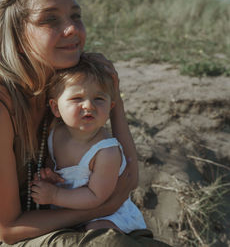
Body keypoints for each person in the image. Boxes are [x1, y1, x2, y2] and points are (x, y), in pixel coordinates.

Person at [0, 0, 171, 245]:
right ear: (17, 36)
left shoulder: (65, 93)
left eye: (76, 16)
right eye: (50, 20)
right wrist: (99, 208)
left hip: (61, 223)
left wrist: (114, 97)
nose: (72, 28)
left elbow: (128, 178)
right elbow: (7, 230)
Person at [31, 57, 147, 234]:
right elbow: (55, 167)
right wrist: (52, 177)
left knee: (97, 231)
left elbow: (96, 197)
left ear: (111, 107)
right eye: (77, 98)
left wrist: (55, 195)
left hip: (106, 215)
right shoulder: (56, 134)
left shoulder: (106, 151)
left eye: (99, 99)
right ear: (55, 108)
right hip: (69, 211)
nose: (89, 105)